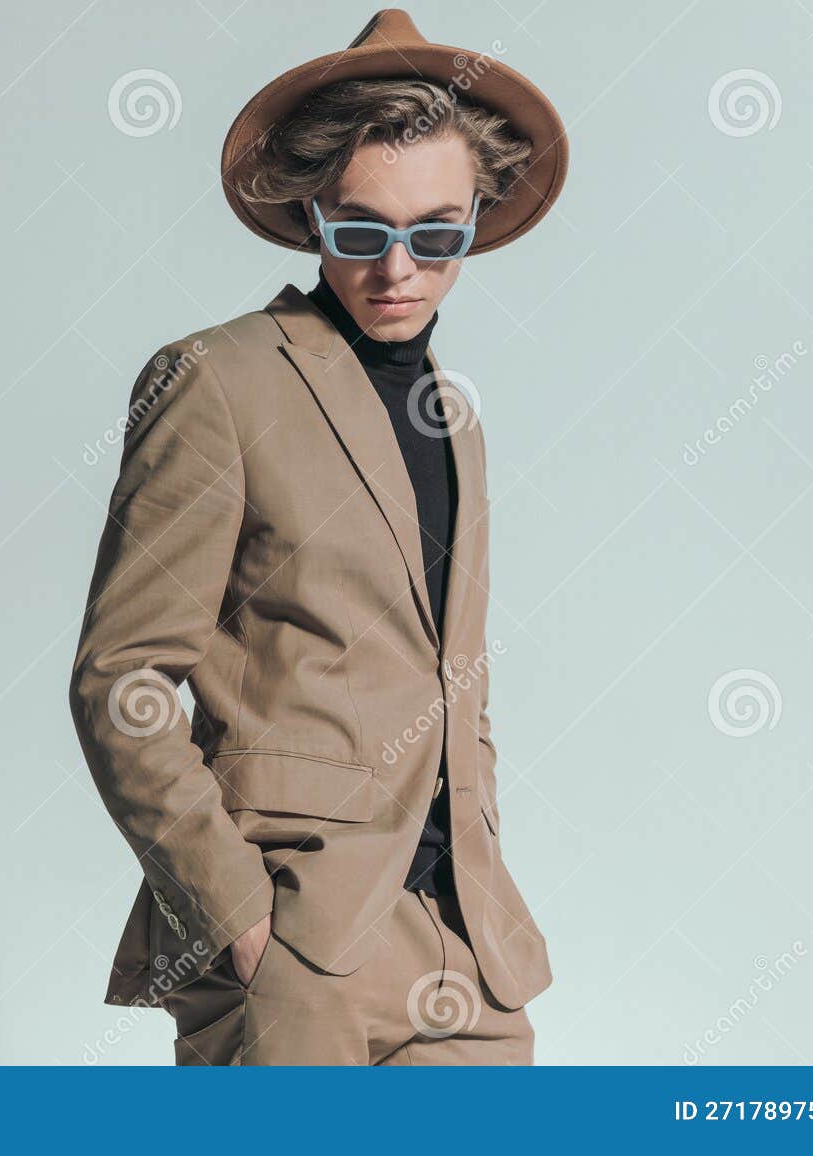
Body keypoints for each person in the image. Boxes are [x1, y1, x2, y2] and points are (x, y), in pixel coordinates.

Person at [69, 8, 568, 1065]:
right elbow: (122, 678)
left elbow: (451, 674)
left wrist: (478, 858)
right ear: (312, 214)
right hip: (293, 932)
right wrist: (237, 915)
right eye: (361, 231)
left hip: (468, 939)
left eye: (437, 234)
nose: (399, 268)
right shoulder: (217, 380)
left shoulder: (454, 417)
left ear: (477, 219)